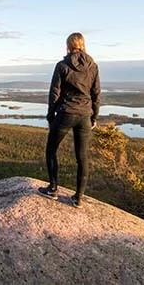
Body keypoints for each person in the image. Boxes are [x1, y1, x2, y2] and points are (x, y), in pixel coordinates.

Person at [38, 32, 101, 208]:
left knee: (51, 149)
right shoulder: (93, 66)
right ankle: (78, 198)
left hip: (66, 113)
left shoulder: (62, 65)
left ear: (68, 45)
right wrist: (94, 116)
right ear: (82, 45)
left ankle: (53, 189)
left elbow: (54, 93)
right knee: (82, 157)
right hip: (85, 116)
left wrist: (51, 116)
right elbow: (96, 94)